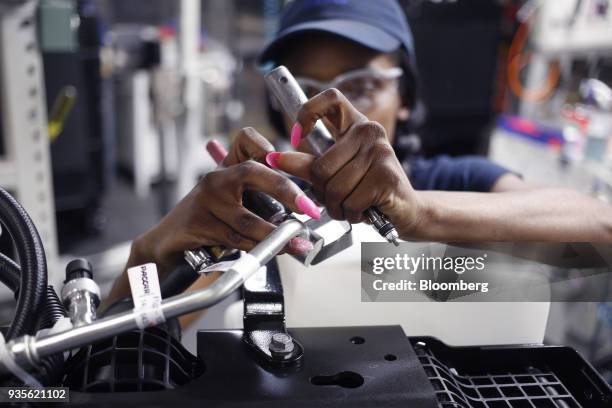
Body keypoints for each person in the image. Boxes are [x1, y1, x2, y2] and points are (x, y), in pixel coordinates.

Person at [103, 0, 612, 314]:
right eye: (305, 92)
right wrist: (152, 254)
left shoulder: (459, 180)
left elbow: (602, 236)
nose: (326, 117)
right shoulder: (264, 217)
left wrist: (421, 213)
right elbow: (129, 345)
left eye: (363, 86)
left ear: (406, 96)